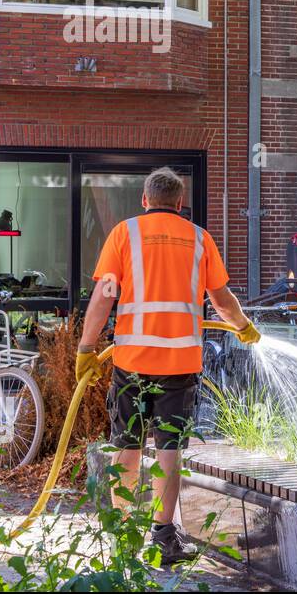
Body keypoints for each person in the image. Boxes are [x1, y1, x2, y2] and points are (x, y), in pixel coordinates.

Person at [74, 167, 260, 564]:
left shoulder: (124, 234)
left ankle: (123, 537)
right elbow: (222, 299)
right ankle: (163, 537)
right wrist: (243, 327)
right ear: (180, 203)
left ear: (144, 200)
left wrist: (86, 346)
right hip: (180, 364)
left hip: (132, 363)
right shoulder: (199, 238)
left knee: (126, 447)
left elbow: (104, 296)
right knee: (169, 450)